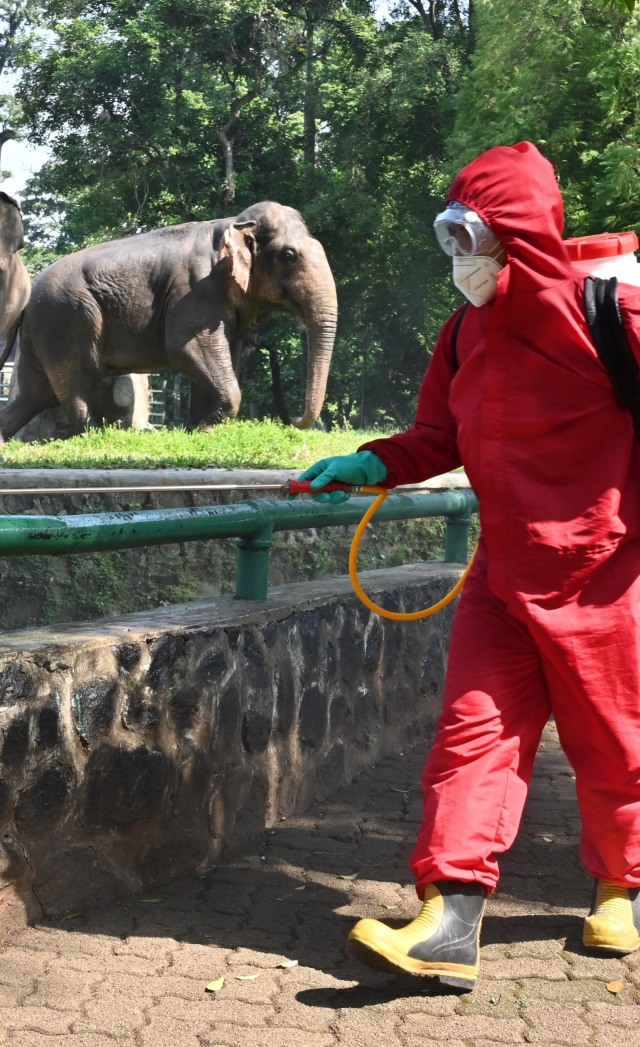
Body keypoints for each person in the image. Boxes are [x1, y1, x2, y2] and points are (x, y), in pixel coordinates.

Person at [297, 141, 640, 992]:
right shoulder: (465, 332)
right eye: (450, 236)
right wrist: (372, 462)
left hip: (608, 570)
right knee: (470, 737)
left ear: (515, 233)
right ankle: (448, 918)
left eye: (468, 235)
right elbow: (435, 438)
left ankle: (623, 888)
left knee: (617, 741)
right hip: (501, 577)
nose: (458, 258)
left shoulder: (614, 313)